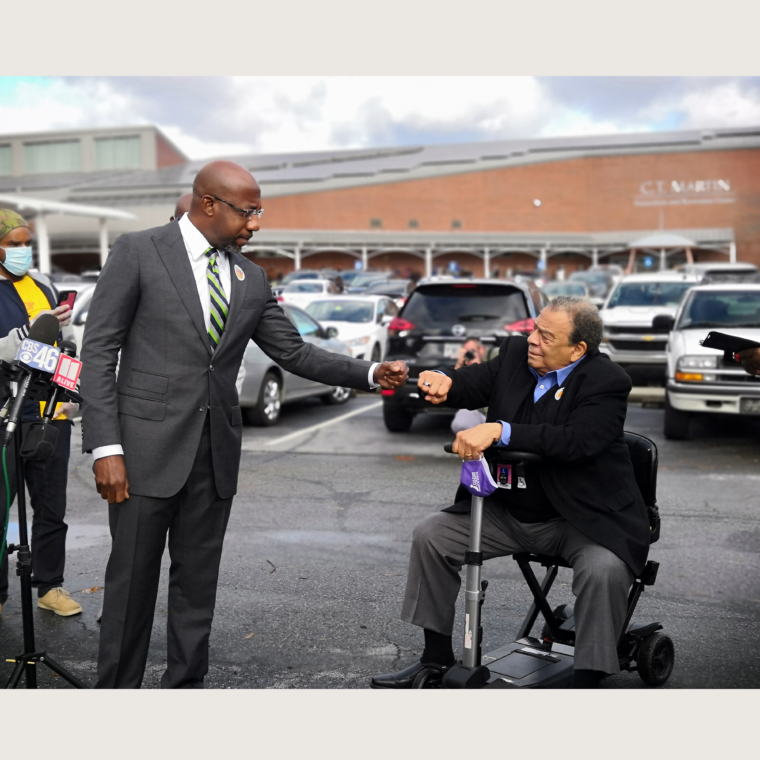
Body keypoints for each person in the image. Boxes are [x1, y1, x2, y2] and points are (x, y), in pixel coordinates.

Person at [80, 160, 408, 689]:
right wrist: (105, 447)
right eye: (248, 211)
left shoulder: (249, 276)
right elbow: (97, 351)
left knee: (197, 592)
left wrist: (370, 370)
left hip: (214, 458)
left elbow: (294, 351)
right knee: (129, 590)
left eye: (259, 211)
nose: (256, 223)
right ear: (209, 203)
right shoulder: (139, 250)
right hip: (141, 454)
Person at [371, 297, 651, 690]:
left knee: (603, 570)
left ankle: (587, 679)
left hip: (579, 519)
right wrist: (445, 380)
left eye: (545, 335)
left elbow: (578, 440)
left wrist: (500, 430)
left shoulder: (606, 381)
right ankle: (435, 659)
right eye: (534, 328)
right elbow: (474, 383)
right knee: (431, 536)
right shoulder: (517, 353)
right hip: (508, 509)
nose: (532, 339)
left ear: (577, 349)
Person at [0, 209, 80, 618]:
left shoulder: (43, 287)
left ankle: (50, 586)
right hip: (5, 418)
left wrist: (72, 394)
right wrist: (30, 332)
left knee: (52, 509)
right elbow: (12, 350)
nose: (23, 251)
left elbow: (61, 348)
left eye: (26, 243)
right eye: (14, 244)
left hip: (49, 415)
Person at [450, 339, 487, 434]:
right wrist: (459, 364)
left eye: (471, 351)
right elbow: (454, 389)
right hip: (478, 410)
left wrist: (478, 366)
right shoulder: (466, 366)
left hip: (495, 411)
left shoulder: (495, 359)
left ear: (481, 349)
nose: (469, 355)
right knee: (459, 423)